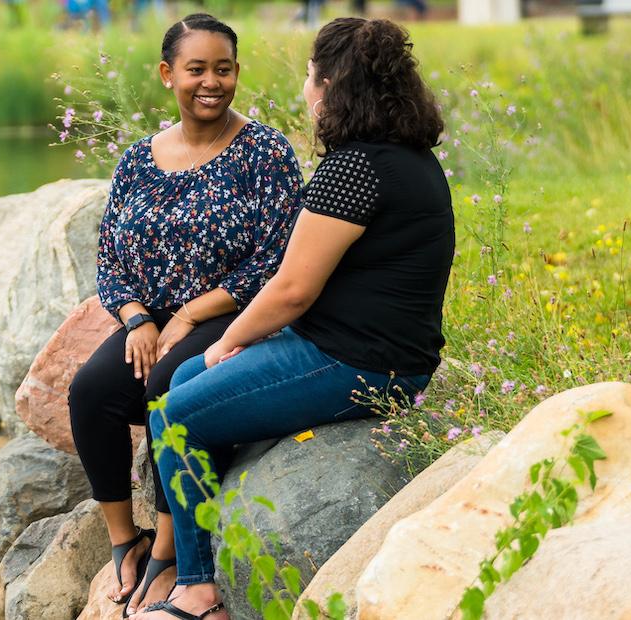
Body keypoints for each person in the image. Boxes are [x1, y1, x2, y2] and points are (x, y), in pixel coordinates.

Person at [133, 17, 452, 620]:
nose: (305, 88)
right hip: (373, 353)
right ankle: (208, 533)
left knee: (176, 415)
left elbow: (291, 290)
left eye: (310, 75)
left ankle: (199, 592)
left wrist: (227, 341)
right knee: (180, 383)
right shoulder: (407, 159)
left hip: (356, 363)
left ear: (332, 86)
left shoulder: (352, 169)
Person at [67, 13, 303, 620]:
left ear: (237, 73)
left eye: (223, 69)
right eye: (197, 69)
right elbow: (111, 255)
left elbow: (278, 257)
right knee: (91, 391)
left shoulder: (265, 151)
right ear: (168, 74)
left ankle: (168, 551)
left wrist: (193, 312)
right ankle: (127, 540)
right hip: (153, 314)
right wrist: (136, 315)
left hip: (233, 310)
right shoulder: (137, 160)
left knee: (169, 384)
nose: (211, 82)